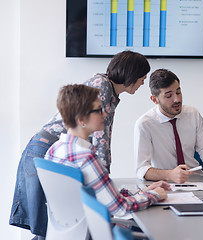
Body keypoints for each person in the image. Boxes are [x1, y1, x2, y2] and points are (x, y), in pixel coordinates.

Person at [10, 51, 150, 238]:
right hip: (45, 147)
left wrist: (107, 185)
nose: (143, 83)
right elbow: (102, 140)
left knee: (54, 226)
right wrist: (105, 180)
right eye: (142, 78)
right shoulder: (103, 87)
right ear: (131, 75)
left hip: (47, 148)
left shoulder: (105, 87)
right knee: (51, 226)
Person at [45, 84, 169, 217]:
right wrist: (154, 195)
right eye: (98, 110)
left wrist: (143, 192)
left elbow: (102, 194)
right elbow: (121, 208)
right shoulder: (86, 158)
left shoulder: (54, 150)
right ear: (81, 119)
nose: (105, 113)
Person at [135, 69, 203, 183]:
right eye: (169, 96)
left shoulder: (192, 114)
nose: (177, 99)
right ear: (154, 99)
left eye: (178, 92)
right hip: (165, 184)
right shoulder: (145, 124)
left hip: (196, 182)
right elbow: (141, 169)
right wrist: (170, 174)